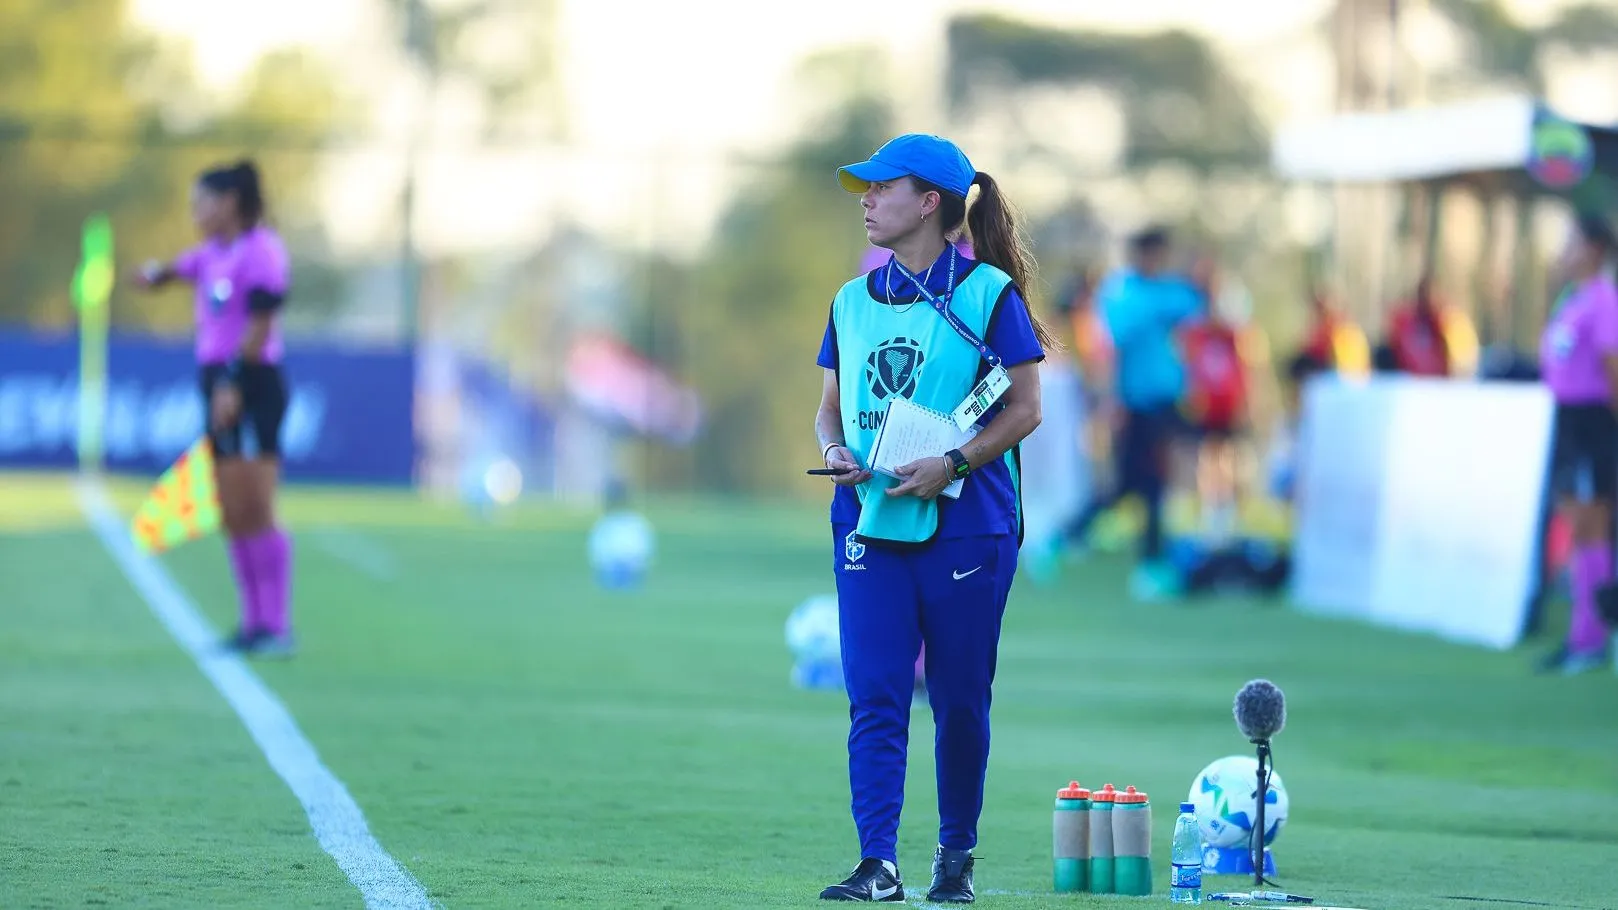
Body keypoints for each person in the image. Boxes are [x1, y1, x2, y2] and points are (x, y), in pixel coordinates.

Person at [813, 133, 1057, 903]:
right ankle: (877, 864)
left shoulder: (988, 294)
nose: (867, 200)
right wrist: (838, 453)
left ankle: (955, 859)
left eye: (883, 187)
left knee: (958, 697)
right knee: (877, 694)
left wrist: (951, 464)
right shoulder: (850, 301)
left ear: (930, 202)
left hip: (969, 523)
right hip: (868, 518)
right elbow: (828, 412)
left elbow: (1025, 408)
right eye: (865, 187)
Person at [132, 159, 296, 657]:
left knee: (256, 507)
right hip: (217, 383)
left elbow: (261, 325)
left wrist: (233, 383)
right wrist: (154, 274)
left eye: (200, 201)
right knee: (230, 510)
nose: (194, 212)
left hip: (251, 384)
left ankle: (276, 625)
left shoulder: (262, 252)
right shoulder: (211, 254)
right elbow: (179, 270)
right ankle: (251, 624)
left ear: (228, 203)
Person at [1094, 226, 1204, 598]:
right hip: (1135, 405)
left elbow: (1198, 309)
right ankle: (1069, 538)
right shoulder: (1123, 292)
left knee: (1150, 485)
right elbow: (1116, 340)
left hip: (1165, 404)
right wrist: (1112, 400)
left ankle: (1152, 561)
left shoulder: (1168, 290)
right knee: (1132, 485)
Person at [1536, 213, 1618, 675]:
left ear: (1593, 249)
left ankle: (1594, 637)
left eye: (1571, 242)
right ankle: (1580, 635)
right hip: (1567, 420)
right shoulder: (1573, 298)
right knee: (1576, 526)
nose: (1564, 251)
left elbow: (1612, 366)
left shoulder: (1605, 300)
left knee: (1593, 526)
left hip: (1592, 422)